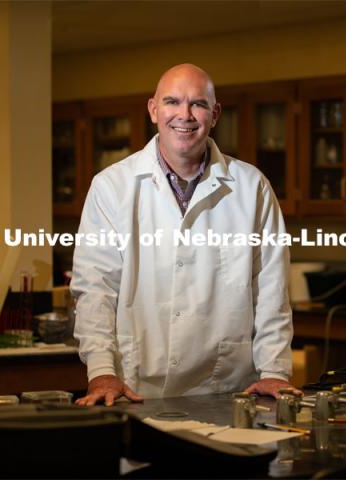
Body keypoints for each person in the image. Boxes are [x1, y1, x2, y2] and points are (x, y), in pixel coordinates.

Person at [71, 63, 300, 406]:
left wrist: (274, 370)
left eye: (198, 104)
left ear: (215, 113)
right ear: (153, 110)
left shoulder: (251, 187)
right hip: (136, 386)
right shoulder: (112, 187)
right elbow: (96, 287)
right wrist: (102, 370)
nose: (185, 115)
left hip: (227, 388)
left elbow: (271, 287)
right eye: (172, 102)